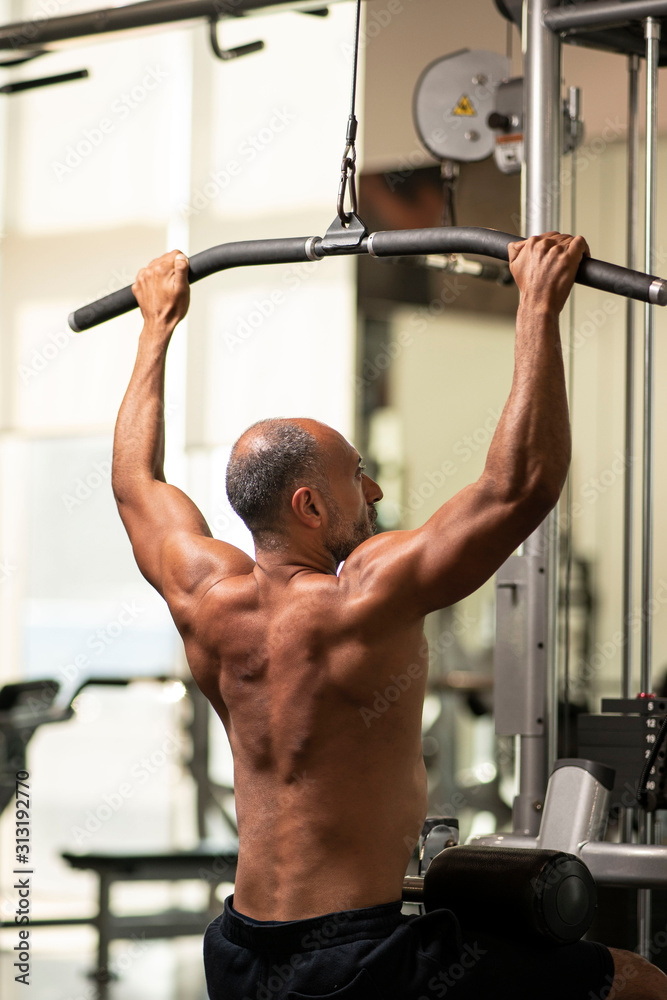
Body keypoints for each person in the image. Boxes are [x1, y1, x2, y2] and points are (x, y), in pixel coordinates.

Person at [112, 234, 667, 1000]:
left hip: (238, 951)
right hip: (357, 955)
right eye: (356, 477)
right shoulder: (358, 598)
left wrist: (155, 327)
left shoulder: (200, 594)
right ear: (309, 505)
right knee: (636, 982)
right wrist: (537, 303)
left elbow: (135, 483)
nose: (371, 495)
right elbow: (521, 487)